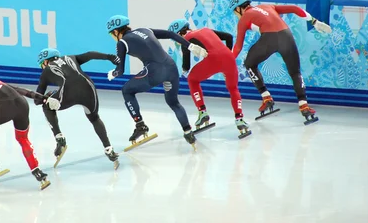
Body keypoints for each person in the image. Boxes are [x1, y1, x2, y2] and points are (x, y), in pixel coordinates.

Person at [106, 15, 208, 147]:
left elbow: (120, 71)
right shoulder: (145, 29)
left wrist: (113, 73)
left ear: (115, 31)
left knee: (126, 90)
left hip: (154, 72)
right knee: (173, 102)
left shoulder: (122, 42)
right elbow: (171, 34)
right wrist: (190, 46)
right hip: (171, 69)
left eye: (111, 35)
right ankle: (188, 132)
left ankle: (140, 125)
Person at [229, 0, 331, 124]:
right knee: (295, 72)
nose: (236, 15)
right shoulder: (267, 6)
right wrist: (314, 21)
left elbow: (237, 47)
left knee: (249, 64)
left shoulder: (243, 19)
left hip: (269, 39)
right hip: (286, 36)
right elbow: (294, 8)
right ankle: (304, 105)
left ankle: (266, 98)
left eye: (235, 12)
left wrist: (227, 62)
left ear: (238, 8)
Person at [35, 48, 121, 168]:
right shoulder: (70, 57)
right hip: (88, 88)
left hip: (67, 93)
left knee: (47, 106)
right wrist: (110, 57)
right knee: (95, 118)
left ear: (45, 62)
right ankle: (109, 149)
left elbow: (37, 100)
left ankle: (59, 138)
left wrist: (48, 96)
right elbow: (90, 54)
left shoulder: (46, 72)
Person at [167, 19, 251, 139]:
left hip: (213, 59)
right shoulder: (206, 29)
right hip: (229, 58)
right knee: (233, 88)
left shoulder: (186, 38)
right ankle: (240, 119)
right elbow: (228, 37)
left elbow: (186, 65)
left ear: (179, 34)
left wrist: (183, 71)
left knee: (192, 79)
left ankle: (202, 112)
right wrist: (227, 57)